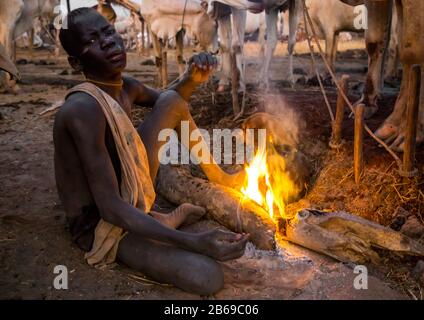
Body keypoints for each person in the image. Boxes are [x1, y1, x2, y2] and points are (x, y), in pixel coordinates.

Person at [53, 7, 248, 296]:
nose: (108, 42)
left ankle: (220, 178)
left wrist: (192, 78)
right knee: (207, 277)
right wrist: (194, 242)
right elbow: (110, 208)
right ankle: (162, 222)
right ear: (74, 61)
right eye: (93, 41)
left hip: (128, 195)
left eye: (108, 32)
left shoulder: (125, 87)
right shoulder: (82, 109)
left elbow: (170, 103)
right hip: (100, 223)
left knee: (172, 102)